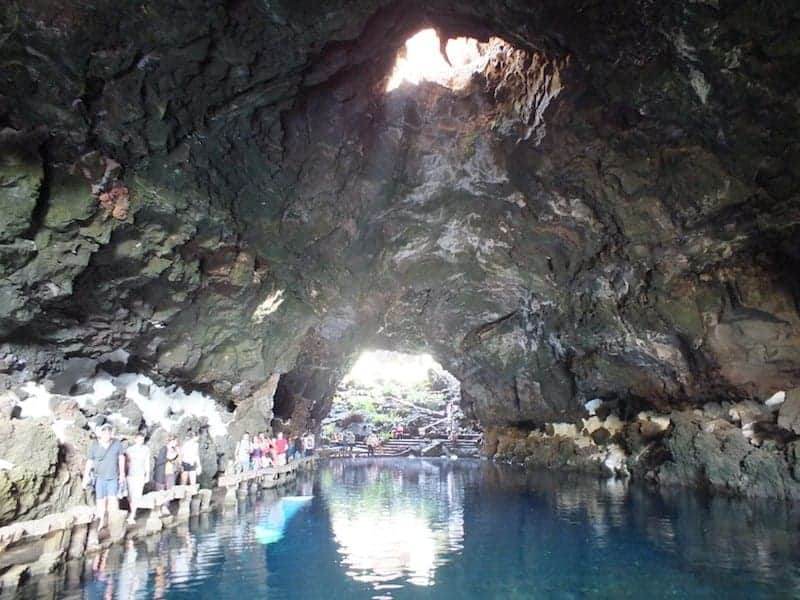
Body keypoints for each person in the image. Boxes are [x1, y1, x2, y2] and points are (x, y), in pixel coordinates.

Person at [84, 423, 125, 531]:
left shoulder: (117, 444)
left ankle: (114, 523)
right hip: (99, 478)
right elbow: (89, 461)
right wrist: (85, 477)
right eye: (105, 432)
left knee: (113, 500)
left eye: (109, 432)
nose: (107, 435)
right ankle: (101, 522)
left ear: (111, 433)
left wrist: (122, 475)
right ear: (101, 433)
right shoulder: (95, 445)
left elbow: (121, 459)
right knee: (100, 500)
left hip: (113, 477)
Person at [125, 431, 151, 525]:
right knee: (130, 496)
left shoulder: (146, 449)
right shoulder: (129, 450)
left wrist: (147, 475)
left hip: (140, 475)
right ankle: (132, 512)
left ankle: (132, 515)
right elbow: (126, 463)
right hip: (130, 475)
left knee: (137, 495)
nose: (141, 441)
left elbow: (147, 463)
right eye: (139, 439)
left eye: (142, 439)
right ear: (135, 439)